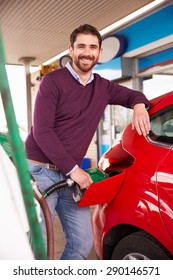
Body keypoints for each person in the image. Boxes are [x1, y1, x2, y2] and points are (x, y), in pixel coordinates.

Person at [25, 24, 150, 260]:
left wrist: (139, 105)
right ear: (71, 50)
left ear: (100, 52)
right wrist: (74, 171)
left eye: (93, 47)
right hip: (40, 172)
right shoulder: (52, 82)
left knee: (82, 244)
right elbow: (42, 132)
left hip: (69, 177)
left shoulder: (102, 86)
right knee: (39, 249)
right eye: (81, 46)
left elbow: (132, 95)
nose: (87, 52)